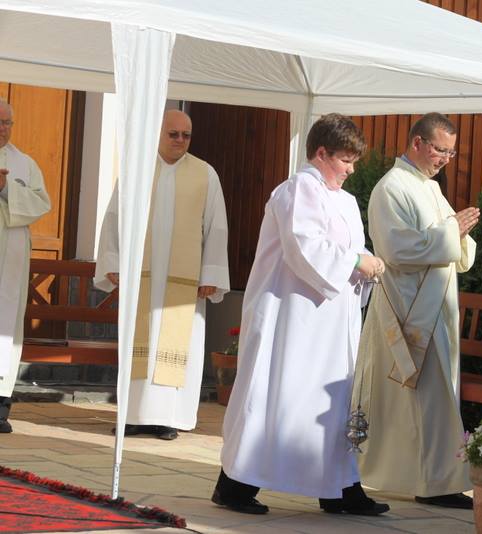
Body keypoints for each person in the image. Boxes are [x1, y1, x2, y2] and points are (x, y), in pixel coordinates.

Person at [213, 113, 389, 516]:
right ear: (321, 153)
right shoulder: (296, 189)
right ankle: (235, 485)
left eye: (354, 161)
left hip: (330, 323)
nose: (351, 170)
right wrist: (357, 262)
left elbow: (347, 251)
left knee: (329, 402)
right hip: (289, 318)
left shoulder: (346, 201)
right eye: (345, 160)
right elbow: (304, 245)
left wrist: (366, 264)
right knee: (277, 395)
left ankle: (339, 488)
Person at [354, 112, 480, 508]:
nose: (445, 159)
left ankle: (436, 480)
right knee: (418, 400)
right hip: (407, 311)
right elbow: (397, 249)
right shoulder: (391, 188)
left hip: (436, 310)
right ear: (417, 143)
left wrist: (458, 234)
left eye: (451, 153)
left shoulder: (430, 188)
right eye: (441, 150)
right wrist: (452, 231)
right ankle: (431, 483)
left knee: (436, 398)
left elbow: (448, 244)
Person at [94, 109, 230, 441]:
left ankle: (168, 417)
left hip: (184, 284)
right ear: (158, 133)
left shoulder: (205, 174)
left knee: (177, 346)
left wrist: (210, 273)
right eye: (173, 134)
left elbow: (217, 227)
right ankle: (132, 415)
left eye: (186, 135)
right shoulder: (136, 170)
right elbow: (114, 217)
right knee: (138, 343)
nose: (180, 140)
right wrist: (113, 260)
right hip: (141, 277)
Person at [0, 99, 51, 434]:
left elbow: (42, 203)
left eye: (8, 122)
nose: (3, 128)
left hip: (11, 260)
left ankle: (0, 408)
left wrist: (6, 189)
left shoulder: (25, 163)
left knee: (5, 329)